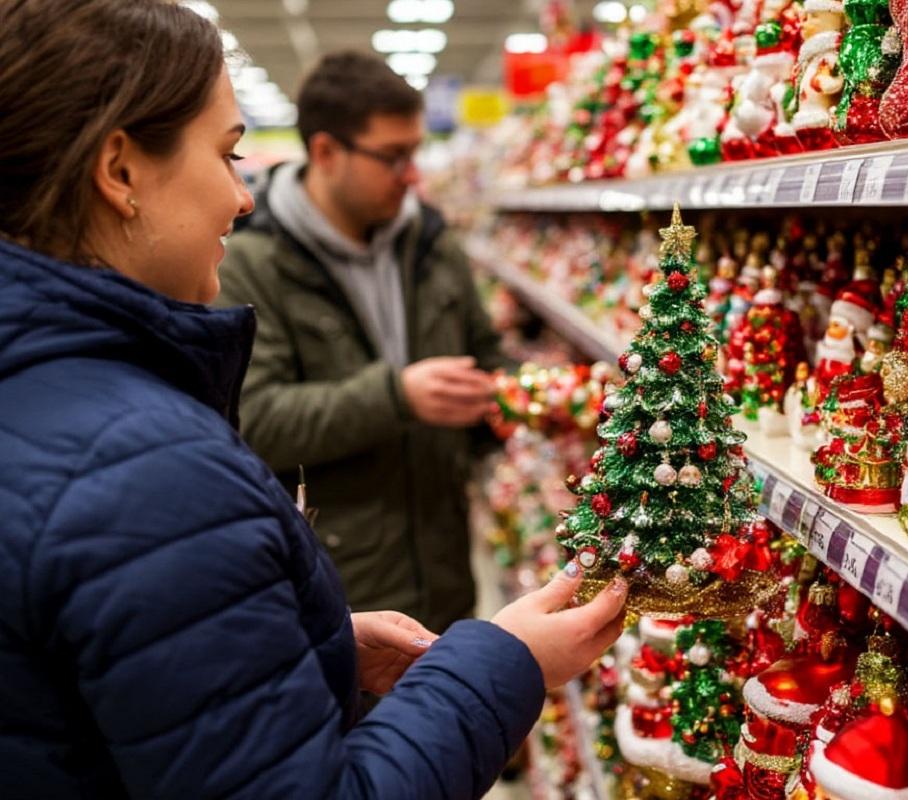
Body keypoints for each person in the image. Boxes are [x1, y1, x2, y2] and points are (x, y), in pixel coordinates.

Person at [0, 2, 626, 797]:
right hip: (362, 552)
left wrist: (313, 645)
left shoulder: (50, 394)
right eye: (227, 155)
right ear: (120, 171)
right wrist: (506, 664)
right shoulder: (147, 470)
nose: (243, 196)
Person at [217, 51, 501, 632]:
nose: (413, 175)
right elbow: (256, 419)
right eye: (393, 157)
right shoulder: (248, 266)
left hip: (446, 572)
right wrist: (397, 398)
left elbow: (487, 354)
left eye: (415, 153)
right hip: (341, 594)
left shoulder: (432, 243)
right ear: (326, 152)